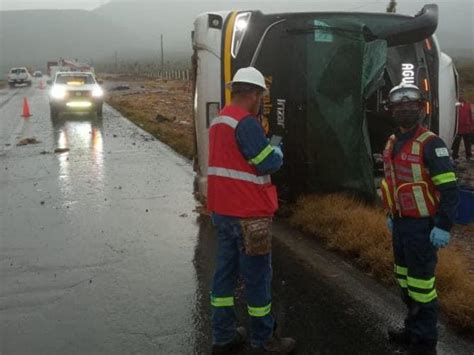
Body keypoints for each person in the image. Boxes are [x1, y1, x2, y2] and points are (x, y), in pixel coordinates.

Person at [207, 67, 296, 354]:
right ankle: (264, 340)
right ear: (254, 94)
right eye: (260, 96)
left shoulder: (220, 121)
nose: (260, 102)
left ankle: (223, 336)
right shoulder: (246, 124)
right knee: (257, 278)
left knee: (225, 275)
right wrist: (277, 154)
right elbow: (265, 163)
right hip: (249, 216)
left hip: (222, 211)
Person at [380, 83, 459, 355]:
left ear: (420, 108)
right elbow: (392, 183)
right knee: (404, 281)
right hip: (401, 225)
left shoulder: (431, 144)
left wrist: (443, 226)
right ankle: (412, 328)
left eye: (410, 105)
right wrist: (391, 214)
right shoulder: (392, 142)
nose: (404, 109)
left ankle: (425, 342)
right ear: (391, 110)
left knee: (422, 286)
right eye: (398, 106)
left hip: (423, 228)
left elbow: (449, 189)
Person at [452, 92, 473, 161]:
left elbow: (470, 115)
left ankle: (469, 156)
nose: (462, 96)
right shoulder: (455, 105)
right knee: (456, 143)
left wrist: (472, 125)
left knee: (468, 143)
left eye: (463, 95)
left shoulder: (467, 104)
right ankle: (455, 156)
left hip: (467, 127)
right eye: (460, 95)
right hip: (458, 128)